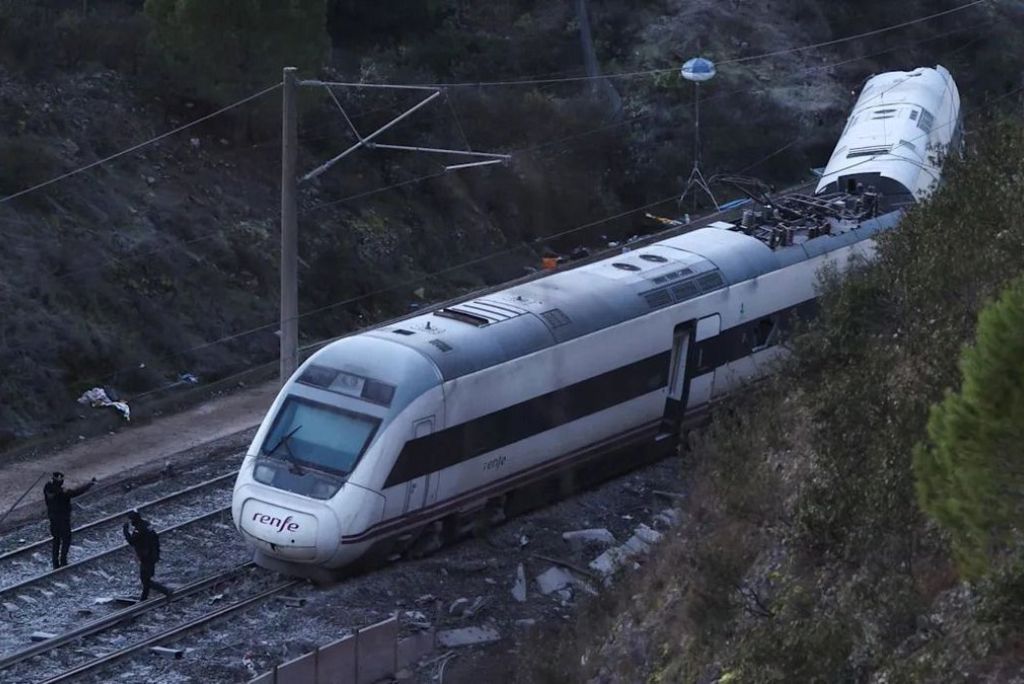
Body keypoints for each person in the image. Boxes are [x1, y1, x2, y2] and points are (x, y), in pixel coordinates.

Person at [43, 471, 96, 569]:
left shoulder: (47, 488)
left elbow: (50, 487)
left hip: (53, 518)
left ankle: (55, 563)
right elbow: (77, 492)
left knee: (56, 540)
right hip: (63, 519)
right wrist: (90, 484)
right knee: (66, 539)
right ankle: (63, 561)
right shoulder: (62, 492)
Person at [123, 510, 173, 600]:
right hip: (153, 554)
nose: (130, 522)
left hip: (147, 556)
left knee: (145, 580)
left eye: (131, 520)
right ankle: (144, 598)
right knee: (146, 578)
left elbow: (131, 541)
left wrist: (125, 531)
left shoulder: (139, 529)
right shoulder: (146, 524)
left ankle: (166, 591)